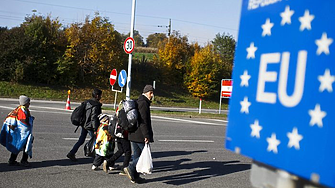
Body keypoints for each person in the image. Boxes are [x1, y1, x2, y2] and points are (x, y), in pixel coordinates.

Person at [124, 85, 154, 184]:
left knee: (137, 155)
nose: (152, 95)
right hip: (140, 134)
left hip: (133, 133)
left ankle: (135, 177)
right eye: (151, 93)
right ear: (146, 92)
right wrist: (146, 135)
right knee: (144, 156)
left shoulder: (138, 101)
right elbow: (143, 121)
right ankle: (130, 168)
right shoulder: (143, 103)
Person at [67, 88, 102, 161]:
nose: (101, 97)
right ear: (97, 96)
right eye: (100, 95)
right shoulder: (95, 105)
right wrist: (95, 129)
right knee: (96, 140)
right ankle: (97, 157)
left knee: (81, 140)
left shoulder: (87, 102)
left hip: (84, 124)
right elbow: (94, 118)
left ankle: (72, 153)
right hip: (90, 126)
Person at [0, 95, 34, 167]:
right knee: (25, 145)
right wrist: (30, 120)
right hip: (22, 133)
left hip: (18, 132)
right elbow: (24, 123)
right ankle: (23, 161)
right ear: (25, 103)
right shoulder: (22, 111)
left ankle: (12, 160)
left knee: (18, 146)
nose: (29, 104)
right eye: (28, 102)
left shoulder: (19, 109)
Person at [102, 110, 131, 175]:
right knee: (128, 151)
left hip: (116, 133)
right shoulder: (127, 112)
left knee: (121, 150)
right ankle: (124, 168)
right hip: (123, 134)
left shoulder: (120, 110)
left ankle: (108, 161)